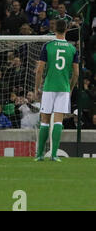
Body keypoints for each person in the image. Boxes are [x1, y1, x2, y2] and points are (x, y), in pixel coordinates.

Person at [34, 19, 79, 162]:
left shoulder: (48, 46)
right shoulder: (72, 49)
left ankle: (39, 155)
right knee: (58, 121)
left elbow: (40, 69)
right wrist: (70, 88)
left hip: (49, 87)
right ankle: (54, 155)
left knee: (45, 121)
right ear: (66, 30)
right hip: (63, 88)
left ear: (54, 30)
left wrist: (37, 88)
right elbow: (76, 73)